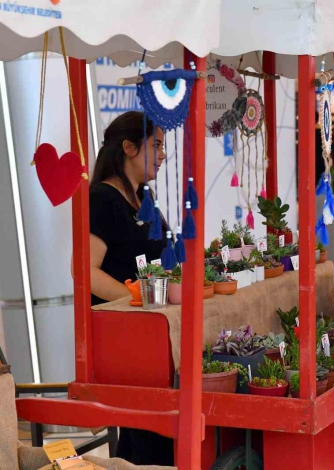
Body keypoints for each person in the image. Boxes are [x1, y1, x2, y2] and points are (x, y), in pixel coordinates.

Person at [87, 111, 173, 465]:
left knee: (150, 438)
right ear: (128, 148)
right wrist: (134, 297)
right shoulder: (102, 199)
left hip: (151, 334)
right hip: (128, 339)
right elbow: (85, 272)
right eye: (156, 146)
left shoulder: (144, 195)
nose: (163, 155)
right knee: (148, 436)